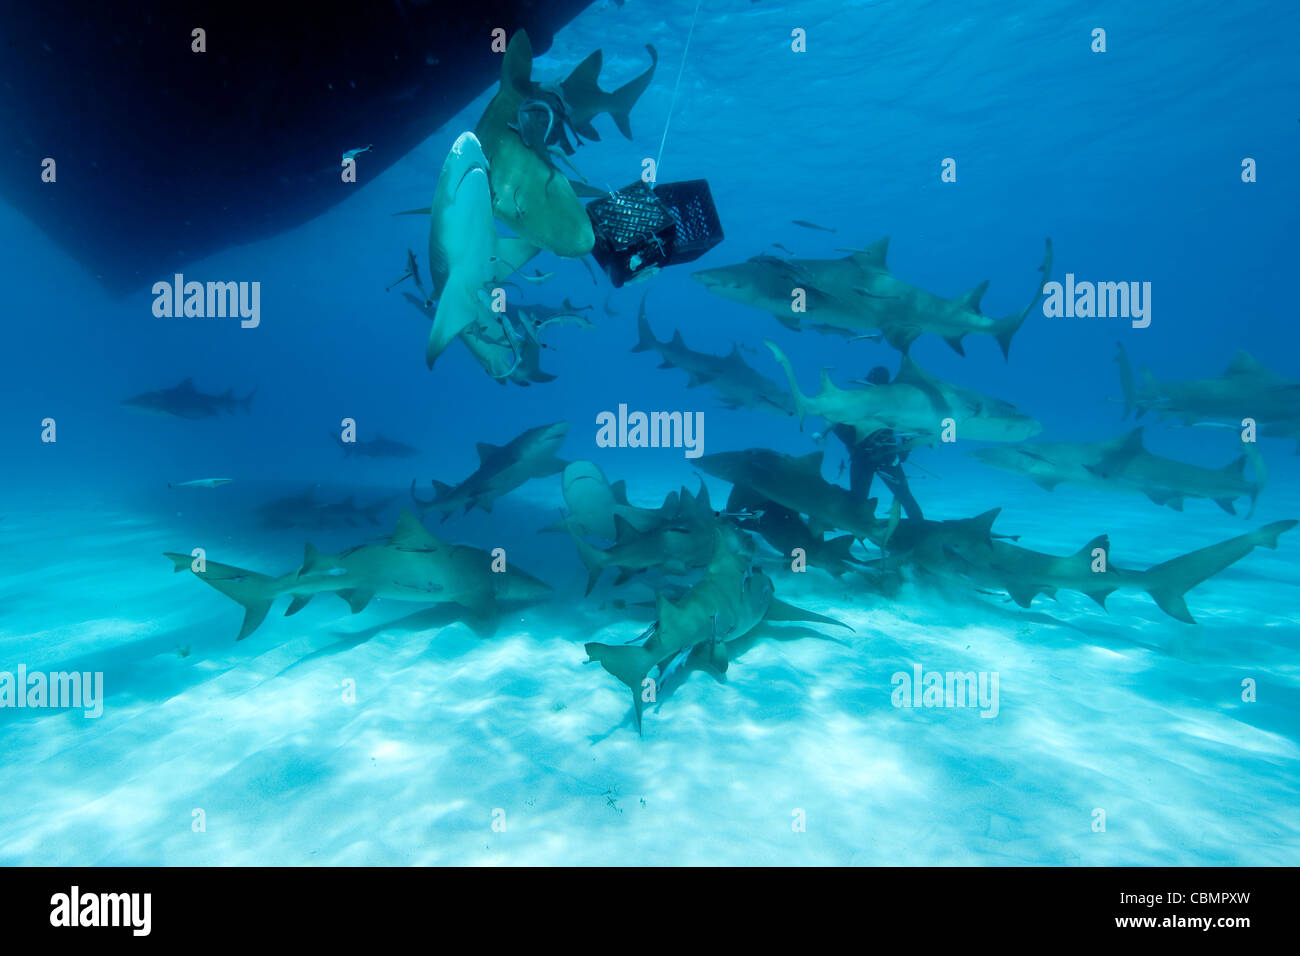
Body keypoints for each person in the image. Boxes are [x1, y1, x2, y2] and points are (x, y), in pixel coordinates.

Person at [831, 366, 924, 520]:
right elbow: (839, 428)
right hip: (864, 458)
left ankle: (922, 531)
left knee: (905, 498)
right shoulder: (856, 403)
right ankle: (828, 494)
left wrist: (902, 453)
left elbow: (910, 430)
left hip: (886, 457)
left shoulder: (894, 405)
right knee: (858, 499)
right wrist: (854, 445)